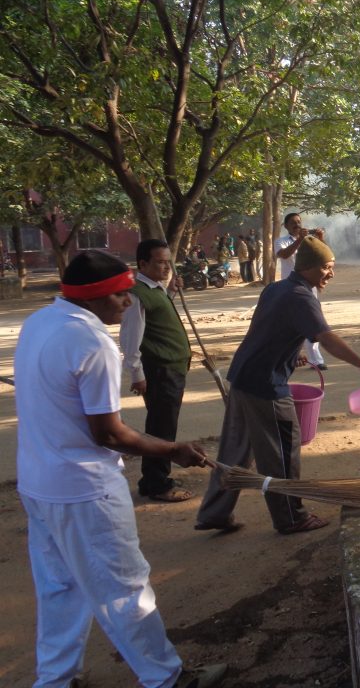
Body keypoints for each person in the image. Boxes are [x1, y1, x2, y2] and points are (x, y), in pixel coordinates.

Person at [15, 250, 225, 688]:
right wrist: (172, 450)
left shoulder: (39, 323)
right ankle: (166, 678)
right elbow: (108, 434)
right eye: (120, 295)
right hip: (84, 489)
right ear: (94, 298)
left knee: (58, 587)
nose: (128, 303)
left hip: (39, 484)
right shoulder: (94, 344)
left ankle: (55, 680)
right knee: (125, 588)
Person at [195, 236, 360, 534]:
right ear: (308, 267)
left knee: (234, 451)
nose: (331, 273)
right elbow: (327, 338)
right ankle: (291, 517)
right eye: (326, 268)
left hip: (242, 376)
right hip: (265, 387)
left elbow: (268, 330)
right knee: (282, 452)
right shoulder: (301, 296)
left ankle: (214, 512)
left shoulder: (277, 288)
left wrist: (290, 356)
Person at [120, 239, 194, 502]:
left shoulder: (155, 289)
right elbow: (131, 338)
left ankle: (154, 479)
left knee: (163, 425)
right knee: (161, 428)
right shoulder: (136, 294)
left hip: (172, 368)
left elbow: (158, 321)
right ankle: (157, 484)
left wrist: (171, 292)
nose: (166, 268)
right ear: (143, 264)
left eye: (168, 262)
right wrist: (137, 373)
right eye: (160, 262)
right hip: (160, 370)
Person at [275, 213, 327, 369]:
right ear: (286, 226)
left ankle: (316, 361)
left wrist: (320, 239)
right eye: (293, 223)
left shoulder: (309, 241)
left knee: (312, 320)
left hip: (309, 286)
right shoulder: (281, 241)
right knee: (289, 324)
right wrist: (299, 240)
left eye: (299, 222)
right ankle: (288, 358)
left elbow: (322, 256)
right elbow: (284, 255)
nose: (297, 225)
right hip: (290, 288)